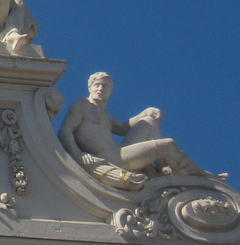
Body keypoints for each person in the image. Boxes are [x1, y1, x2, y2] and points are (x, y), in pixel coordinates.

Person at [58, 72, 205, 186]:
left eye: (105, 86)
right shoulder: (82, 105)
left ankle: (163, 169)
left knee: (148, 121)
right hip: (110, 158)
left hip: (119, 152)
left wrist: (146, 112)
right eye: (97, 85)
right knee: (168, 144)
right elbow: (65, 131)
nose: (100, 89)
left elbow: (122, 128)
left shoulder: (104, 114)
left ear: (110, 91)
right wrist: (79, 155)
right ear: (90, 87)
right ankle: (198, 175)